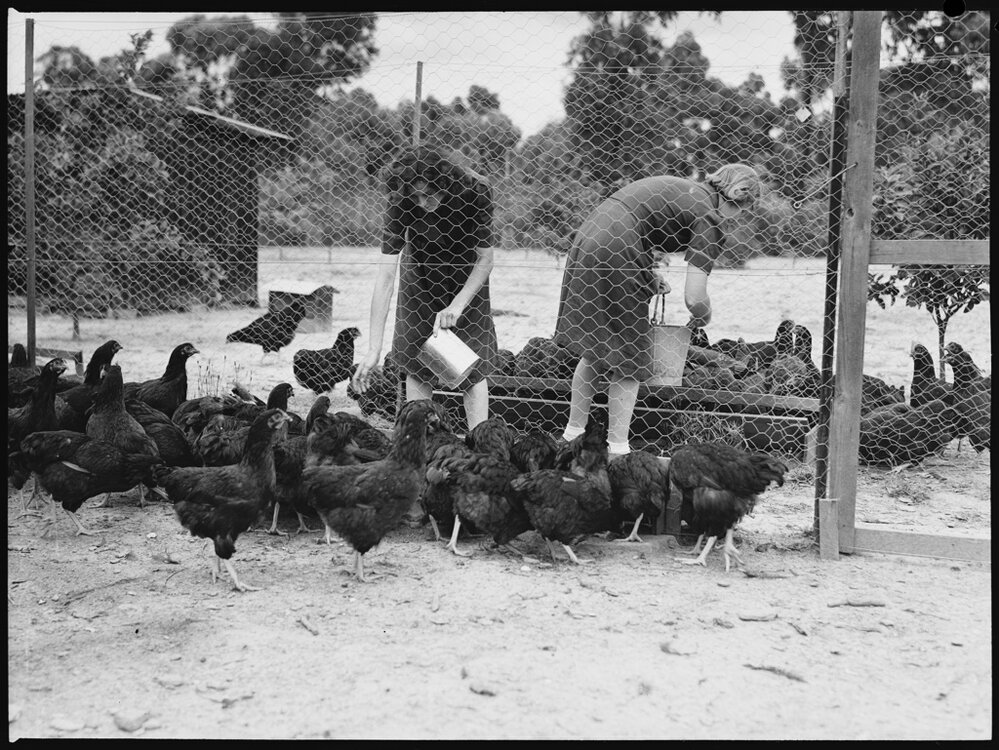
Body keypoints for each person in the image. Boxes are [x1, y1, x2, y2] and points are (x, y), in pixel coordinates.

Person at [553, 163, 762, 459]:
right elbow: (694, 295)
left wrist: (647, 277)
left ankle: (571, 438)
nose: (740, 216)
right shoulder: (709, 216)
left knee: (596, 349)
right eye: (745, 208)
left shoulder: (688, 191)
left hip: (591, 234)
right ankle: (619, 452)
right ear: (738, 195)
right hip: (618, 246)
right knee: (630, 358)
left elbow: (637, 222)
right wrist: (704, 315)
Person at [352, 144, 499, 435]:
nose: (422, 202)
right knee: (417, 358)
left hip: (466, 270)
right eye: (415, 195)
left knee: (471, 362)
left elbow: (486, 258)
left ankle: (480, 442)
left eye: (428, 193)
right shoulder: (401, 199)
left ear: (445, 183)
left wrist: (458, 305)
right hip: (420, 271)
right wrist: (373, 348)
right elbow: (385, 277)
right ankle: (418, 444)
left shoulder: (475, 190)